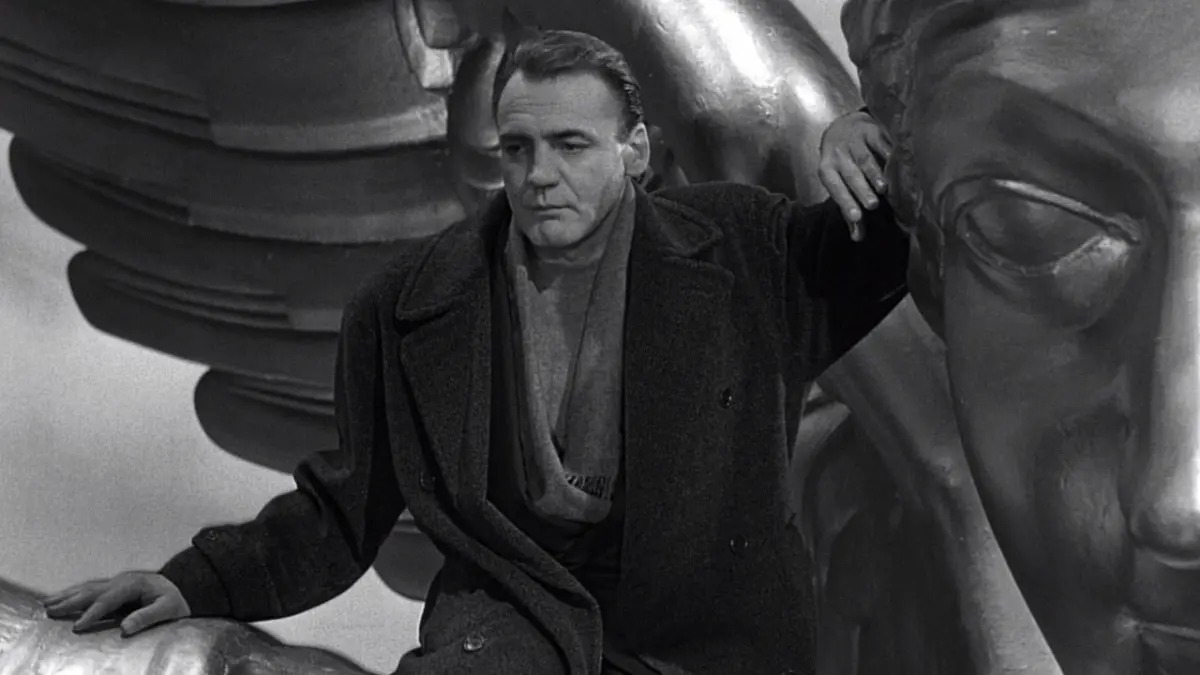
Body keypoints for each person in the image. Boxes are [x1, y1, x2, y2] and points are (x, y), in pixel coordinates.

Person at [43, 29, 901, 675]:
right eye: (518, 148)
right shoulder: (410, 306)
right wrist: (196, 583)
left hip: (708, 645)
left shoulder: (741, 249)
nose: (539, 175)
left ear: (634, 150)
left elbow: (887, 253)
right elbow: (341, 513)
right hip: (515, 629)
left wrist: (875, 136)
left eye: (571, 145)